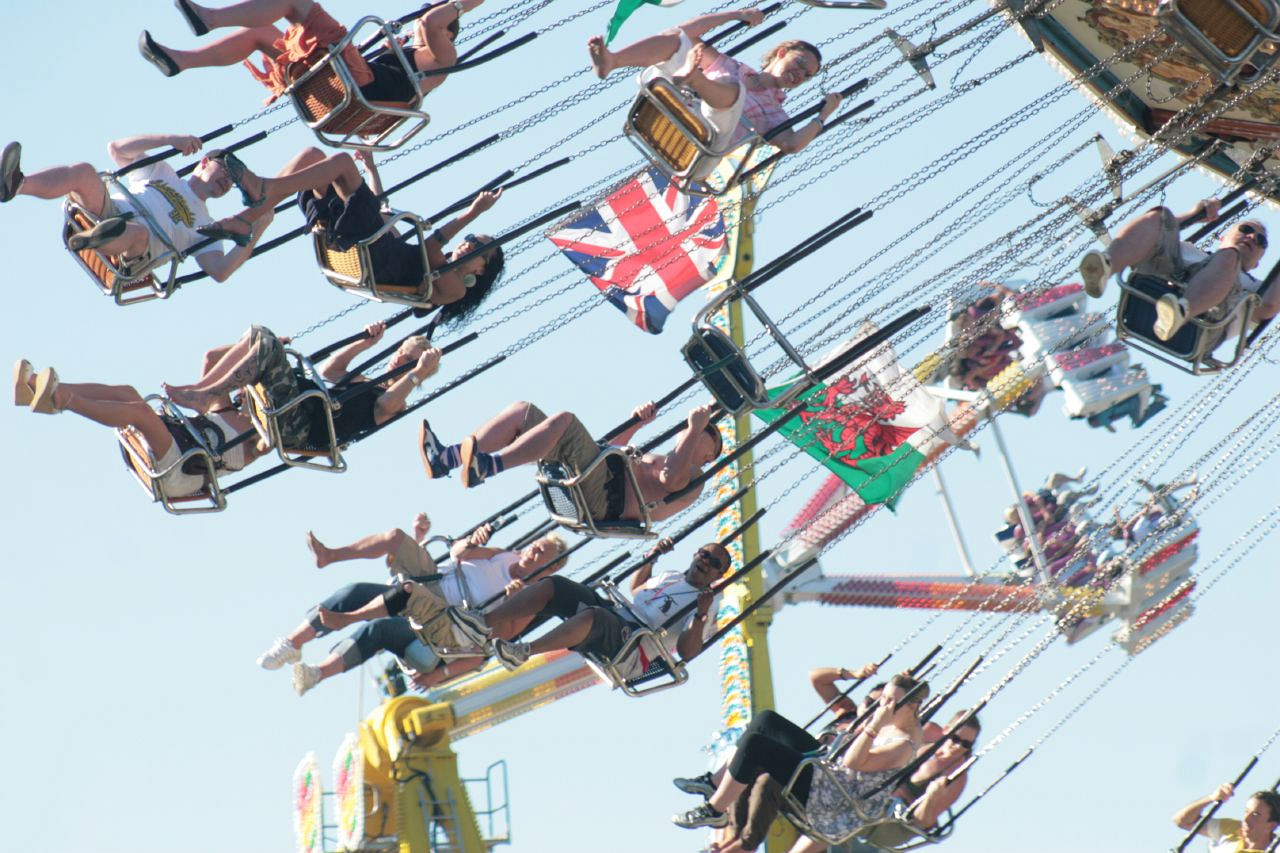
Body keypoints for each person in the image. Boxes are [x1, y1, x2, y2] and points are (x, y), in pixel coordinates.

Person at [257, 517, 570, 695]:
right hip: (434, 581)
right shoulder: (504, 554)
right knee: (383, 554)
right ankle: (293, 640)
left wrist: (512, 599)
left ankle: (319, 670)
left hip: (447, 619)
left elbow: (498, 638)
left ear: (551, 566)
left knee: (390, 615)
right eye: (535, 545)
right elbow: (458, 554)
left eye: (540, 552)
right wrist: (473, 541)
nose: (531, 551)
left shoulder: (529, 597)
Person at [194, 147, 504, 320]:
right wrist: (371, 170)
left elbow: (433, 249)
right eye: (472, 238)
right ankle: (249, 217)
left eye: (480, 248)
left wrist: (472, 213)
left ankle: (261, 193)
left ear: (480, 271)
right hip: (363, 240)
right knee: (312, 156)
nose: (469, 243)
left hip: (373, 256)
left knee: (341, 163)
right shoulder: (415, 253)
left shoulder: (455, 290)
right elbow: (382, 213)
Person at [672, 673, 927, 843]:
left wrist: (873, 726)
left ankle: (715, 810)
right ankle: (714, 784)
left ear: (912, 707)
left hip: (830, 797)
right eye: (883, 699)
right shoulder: (898, 718)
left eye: (891, 701)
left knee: (755, 745)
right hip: (829, 769)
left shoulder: (903, 745)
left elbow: (853, 762)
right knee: (766, 720)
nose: (883, 706)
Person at [0, 134, 267, 281]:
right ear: (205, 162)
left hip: (138, 250)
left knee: (137, 232)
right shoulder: (163, 172)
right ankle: (17, 185)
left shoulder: (208, 224)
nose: (228, 180)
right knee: (84, 172)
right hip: (112, 211)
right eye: (227, 169)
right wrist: (170, 139)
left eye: (235, 180)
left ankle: (96, 239)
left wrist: (257, 228)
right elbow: (117, 149)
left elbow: (220, 270)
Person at [442, 537, 730, 673]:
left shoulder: (708, 601)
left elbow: (688, 652)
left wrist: (701, 614)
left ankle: (525, 651)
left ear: (718, 575)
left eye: (714, 563)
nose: (705, 562)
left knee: (595, 616)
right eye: (704, 554)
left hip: (634, 646)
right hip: (621, 616)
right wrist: (651, 559)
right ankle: (482, 621)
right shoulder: (673, 576)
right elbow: (637, 590)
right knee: (555, 586)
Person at [588, 8, 842, 160]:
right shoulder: (733, 66)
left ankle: (693, 77)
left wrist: (823, 115)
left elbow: (792, 145)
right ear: (782, 53)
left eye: (806, 75)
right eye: (800, 63)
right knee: (676, 40)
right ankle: (613, 61)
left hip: (704, 141)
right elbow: (684, 32)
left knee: (734, 89)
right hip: (680, 109)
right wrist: (737, 15)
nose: (799, 74)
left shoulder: (775, 113)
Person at [418, 400, 723, 522]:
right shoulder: (668, 456)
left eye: (708, 432)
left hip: (606, 499)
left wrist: (696, 427)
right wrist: (636, 424)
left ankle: (487, 466)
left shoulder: (695, 475)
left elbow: (671, 479)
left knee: (566, 420)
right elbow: (607, 449)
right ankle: (446, 459)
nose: (697, 429)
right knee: (523, 412)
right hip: (596, 477)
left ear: (710, 456)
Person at [138, 0, 486, 105]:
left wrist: (462, 4)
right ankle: (181, 60)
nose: (420, 21)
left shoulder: (443, 60)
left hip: (358, 88)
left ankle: (211, 18)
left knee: (295, 2)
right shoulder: (404, 54)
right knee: (261, 34)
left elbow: (429, 22)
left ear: (449, 31)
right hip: (344, 81)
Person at [160, 321, 441, 450]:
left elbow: (384, 405)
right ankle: (200, 392)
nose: (399, 359)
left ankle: (206, 396)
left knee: (268, 343)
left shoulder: (397, 403)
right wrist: (365, 343)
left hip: (301, 426)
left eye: (409, 360)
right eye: (401, 352)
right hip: (296, 405)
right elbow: (330, 370)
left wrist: (418, 372)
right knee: (259, 333)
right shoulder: (366, 381)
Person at [12, 354, 262, 498]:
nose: (243, 393)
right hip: (178, 448)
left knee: (140, 413)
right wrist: (255, 348)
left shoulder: (256, 437)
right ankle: (38, 389)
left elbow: (268, 444)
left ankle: (64, 400)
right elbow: (212, 358)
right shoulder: (221, 408)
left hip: (182, 472)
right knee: (128, 393)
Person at [1078, 200, 1278, 342]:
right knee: (1161, 216)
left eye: (1261, 241)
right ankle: (1105, 267)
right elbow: (1153, 233)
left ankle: (1181, 312)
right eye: (1246, 230)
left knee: (1229, 256)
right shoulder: (1188, 250)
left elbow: (1268, 307)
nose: (1252, 237)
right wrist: (1195, 215)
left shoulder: (1258, 287)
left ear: (1258, 263)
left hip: (1199, 329)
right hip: (1157, 287)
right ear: (1222, 237)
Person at [1173, 784, 1280, 852]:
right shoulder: (1231, 828)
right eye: (1246, 811)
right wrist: (1212, 798)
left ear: (1271, 825)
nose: (1246, 819)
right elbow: (1182, 821)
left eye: (1255, 815)